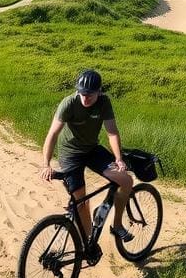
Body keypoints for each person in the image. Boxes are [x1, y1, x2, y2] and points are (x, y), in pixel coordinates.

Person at [40, 69, 134, 242]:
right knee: (82, 203)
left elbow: (112, 132)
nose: (85, 98)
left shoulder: (104, 102)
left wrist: (119, 159)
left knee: (126, 180)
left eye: (89, 94)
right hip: (70, 155)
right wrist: (46, 164)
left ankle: (118, 225)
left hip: (92, 150)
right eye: (81, 93)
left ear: (99, 91)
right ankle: (87, 242)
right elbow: (52, 134)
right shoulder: (68, 103)